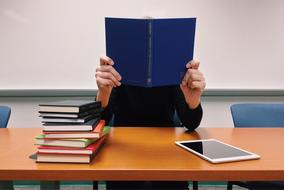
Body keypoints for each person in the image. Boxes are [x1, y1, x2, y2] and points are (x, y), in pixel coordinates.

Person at [95, 56, 206, 190]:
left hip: (167, 153)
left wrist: (193, 100)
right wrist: (103, 93)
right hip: (123, 155)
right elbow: (100, 121)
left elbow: (191, 123)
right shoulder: (118, 65)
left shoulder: (172, 66)